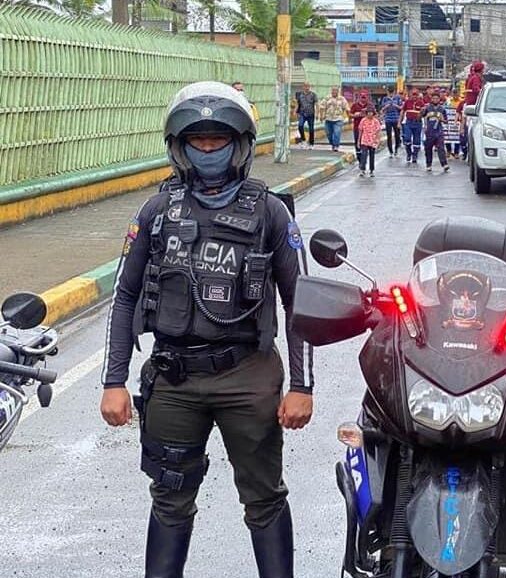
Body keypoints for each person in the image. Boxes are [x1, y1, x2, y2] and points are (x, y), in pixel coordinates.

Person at [99, 81, 315, 578]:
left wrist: (302, 387)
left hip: (249, 377)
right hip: (174, 382)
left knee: (264, 500)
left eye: (220, 141)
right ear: (180, 147)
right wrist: (113, 380)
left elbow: (299, 299)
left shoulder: (271, 212)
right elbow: (125, 294)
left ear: (240, 145)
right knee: (170, 500)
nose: (210, 151)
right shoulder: (155, 213)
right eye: (200, 141)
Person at [421, 91, 450, 173]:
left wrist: (442, 119)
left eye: (437, 98)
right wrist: (421, 111)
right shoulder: (427, 108)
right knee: (428, 149)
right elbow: (420, 116)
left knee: (441, 148)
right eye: (434, 98)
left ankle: (444, 164)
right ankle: (428, 165)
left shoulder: (442, 109)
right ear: (431, 99)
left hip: (439, 131)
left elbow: (446, 121)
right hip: (429, 131)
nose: (435, 100)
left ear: (439, 99)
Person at [318, 86, 349, 152]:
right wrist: (321, 116)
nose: (334, 92)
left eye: (336, 90)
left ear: (338, 91)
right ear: (331, 91)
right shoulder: (327, 98)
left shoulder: (342, 99)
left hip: (338, 119)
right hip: (328, 118)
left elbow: (347, 108)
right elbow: (321, 107)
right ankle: (333, 144)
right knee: (328, 133)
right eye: (333, 90)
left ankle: (336, 146)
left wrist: (349, 117)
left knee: (337, 132)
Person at [402, 88, 425, 165]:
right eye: (413, 94)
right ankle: (409, 153)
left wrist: (422, 113)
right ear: (410, 94)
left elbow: (424, 114)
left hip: (417, 123)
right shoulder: (407, 102)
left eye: (416, 94)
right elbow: (402, 111)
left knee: (417, 140)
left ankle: (415, 155)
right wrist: (399, 122)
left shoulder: (421, 103)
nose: (414, 96)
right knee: (407, 138)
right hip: (408, 122)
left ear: (418, 95)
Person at [357, 106, 381, 178]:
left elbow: (378, 132)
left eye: (371, 113)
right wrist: (358, 141)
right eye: (368, 113)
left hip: (373, 141)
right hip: (364, 140)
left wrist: (377, 141)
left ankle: (371, 170)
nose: (370, 114)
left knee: (372, 156)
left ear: (373, 113)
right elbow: (360, 131)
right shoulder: (363, 120)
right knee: (363, 155)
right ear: (366, 113)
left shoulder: (376, 121)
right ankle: (362, 169)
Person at [380, 88, 403, 158]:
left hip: (396, 118)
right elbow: (382, 109)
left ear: (394, 92)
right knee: (389, 136)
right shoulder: (385, 99)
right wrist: (387, 106)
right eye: (390, 92)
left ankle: (396, 149)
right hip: (388, 119)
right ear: (387, 92)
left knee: (397, 135)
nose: (391, 94)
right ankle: (390, 151)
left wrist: (395, 105)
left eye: (392, 92)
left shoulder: (398, 98)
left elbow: (401, 108)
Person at [349, 91, 373, 159]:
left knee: (366, 142)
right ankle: (359, 155)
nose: (363, 99)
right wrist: (356, 115)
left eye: (364, 97)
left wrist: (367, 114)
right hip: (357, 127)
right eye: (362, 97)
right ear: (359, 98)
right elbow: (350, 115)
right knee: (357, 141)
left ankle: (364, 156)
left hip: (368, 128)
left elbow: (375, 115)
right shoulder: (355, 105)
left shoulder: (370, 105)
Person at [296, 82, 318, 147]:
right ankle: (303, 140)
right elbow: (298, 104)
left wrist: (317, 113)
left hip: (310, 113)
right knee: (300, 126)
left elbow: (317, 104)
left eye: (308, 86)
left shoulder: (313, 95)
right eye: (305, 86)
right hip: (302, 113)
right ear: (303, 87)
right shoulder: (299, 95)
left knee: (311, 128)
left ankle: (311, 143)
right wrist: (296, 112)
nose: (307, 88)